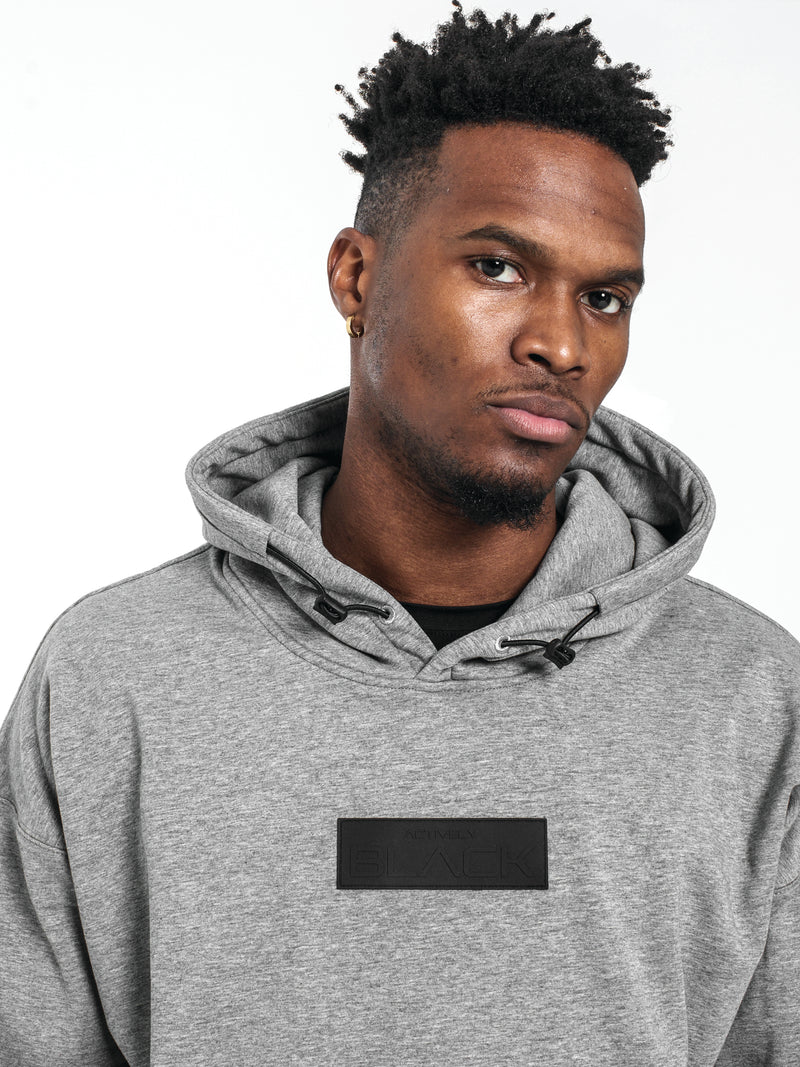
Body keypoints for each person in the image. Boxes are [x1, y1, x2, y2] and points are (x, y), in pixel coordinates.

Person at [1, 3, 798, 1064]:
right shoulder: (115, 674)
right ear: (356, 278)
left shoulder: (748, 695)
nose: (561, 344)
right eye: (498, 267)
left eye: (604, 297)